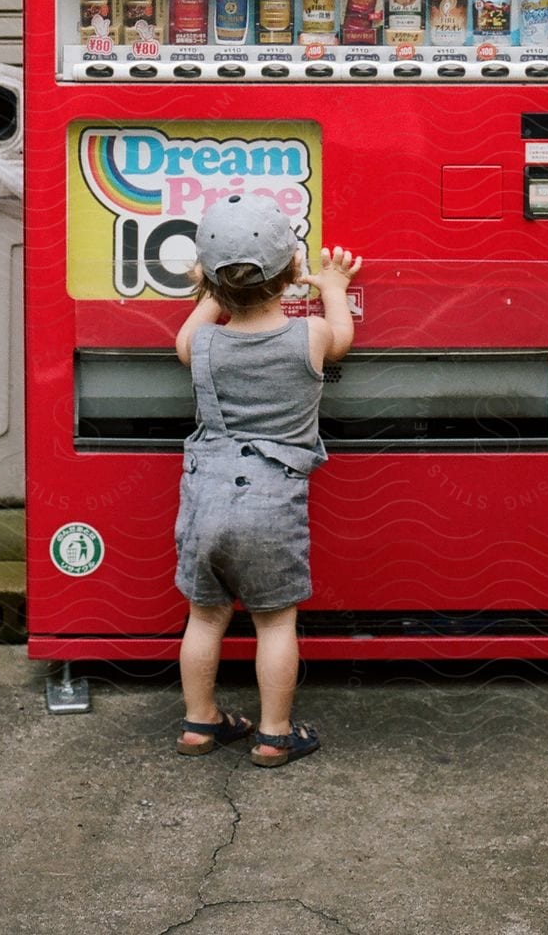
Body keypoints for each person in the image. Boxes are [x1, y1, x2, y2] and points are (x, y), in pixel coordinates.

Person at [171, 191, 361, 768]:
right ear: (292, 272)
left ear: (204, 277)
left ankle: (200, 723)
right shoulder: (310, 340)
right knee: (275, 622)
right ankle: (275, 734)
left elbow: (195, 327)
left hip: (204, 499)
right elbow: (343, 333)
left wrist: (209, 290)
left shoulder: (197, 345)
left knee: (204, 618)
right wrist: (330, 284)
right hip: (272, 503)